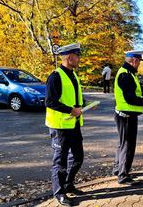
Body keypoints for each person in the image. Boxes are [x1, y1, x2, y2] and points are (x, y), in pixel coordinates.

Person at [45, 43, 85, 206]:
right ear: (70, 57)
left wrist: (85, 104)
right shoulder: (55, 76)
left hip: (73, 125)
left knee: (78, 158)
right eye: (77, 56)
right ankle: (59, 192)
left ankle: (68, 184)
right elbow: (50, 102)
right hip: (60, 127)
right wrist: (71, 110)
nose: (79, 59)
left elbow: (74, 98)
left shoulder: (73, 75)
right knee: (60, 162)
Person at [113, 50, 143, 185]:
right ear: (134, 61)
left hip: (125, 115)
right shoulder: (125, 75)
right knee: (127, 145)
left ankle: (118, 169)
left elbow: (137, 88)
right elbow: (130, 98)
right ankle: (123, 175)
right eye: (139, 62)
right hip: (126, 116)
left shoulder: (129, 73)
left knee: (122, 144)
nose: (139, 65)